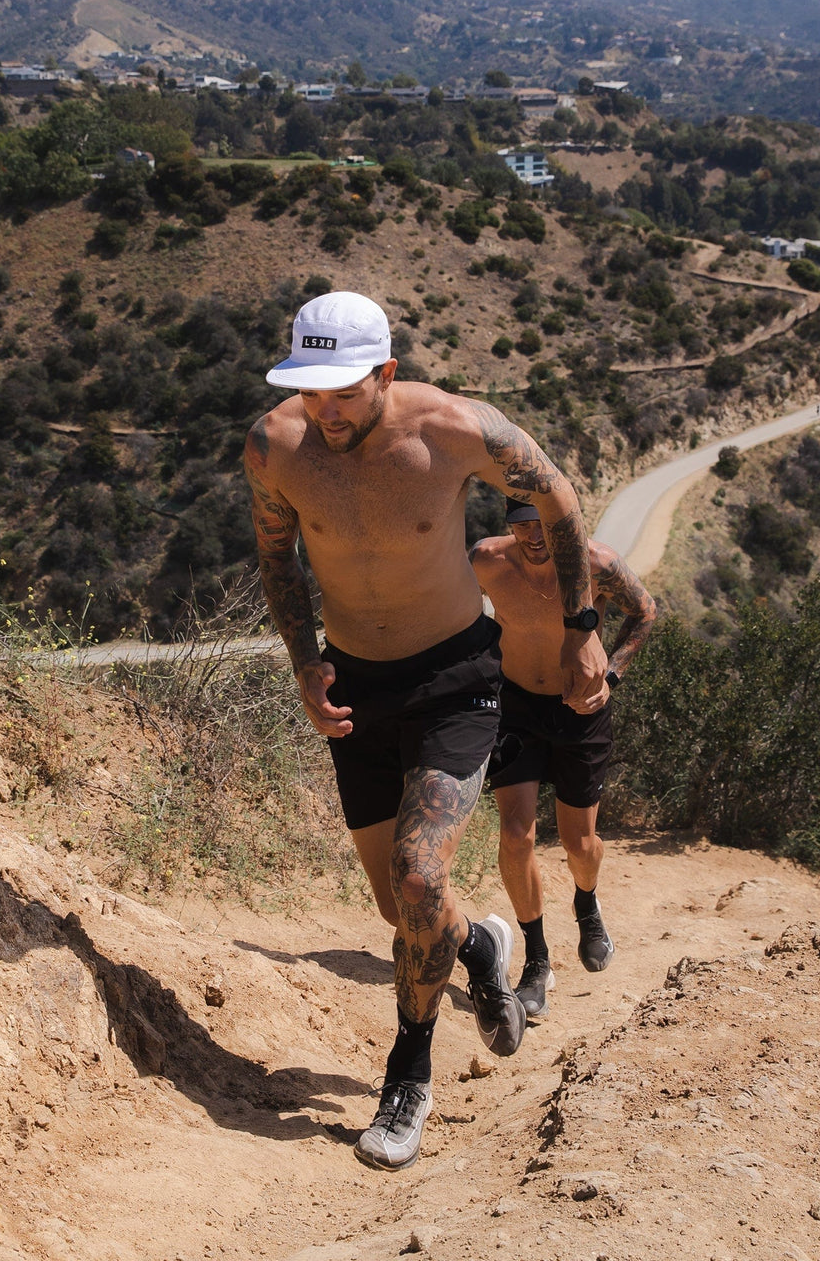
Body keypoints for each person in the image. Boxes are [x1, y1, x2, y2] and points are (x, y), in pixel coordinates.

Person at [244, 292, 607, 1172]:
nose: (323, 412)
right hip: (355, 685)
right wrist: (303, 663)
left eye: (343, 392)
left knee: (417, 876)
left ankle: (407, 1077)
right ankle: (482, 947)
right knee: (401, 907)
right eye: (310, 391)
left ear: (386, 374)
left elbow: (556, 501)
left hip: (455, 681)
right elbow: (276, 556)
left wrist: (582, 626)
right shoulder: (274, 446)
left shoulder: (453, 430)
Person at [470, 498, 656, 1021]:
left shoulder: (595, 562)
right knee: (516, 835)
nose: (533, 536)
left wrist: (611, 676)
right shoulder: (486, 560)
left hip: (582, 709)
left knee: (580, 843)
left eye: (544, 525)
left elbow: (645, 611)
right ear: (509, 523)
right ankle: (537, 960)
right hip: (516, 706)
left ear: (564, 524)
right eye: (521, 524)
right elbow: (453, 618)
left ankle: (587, 904)